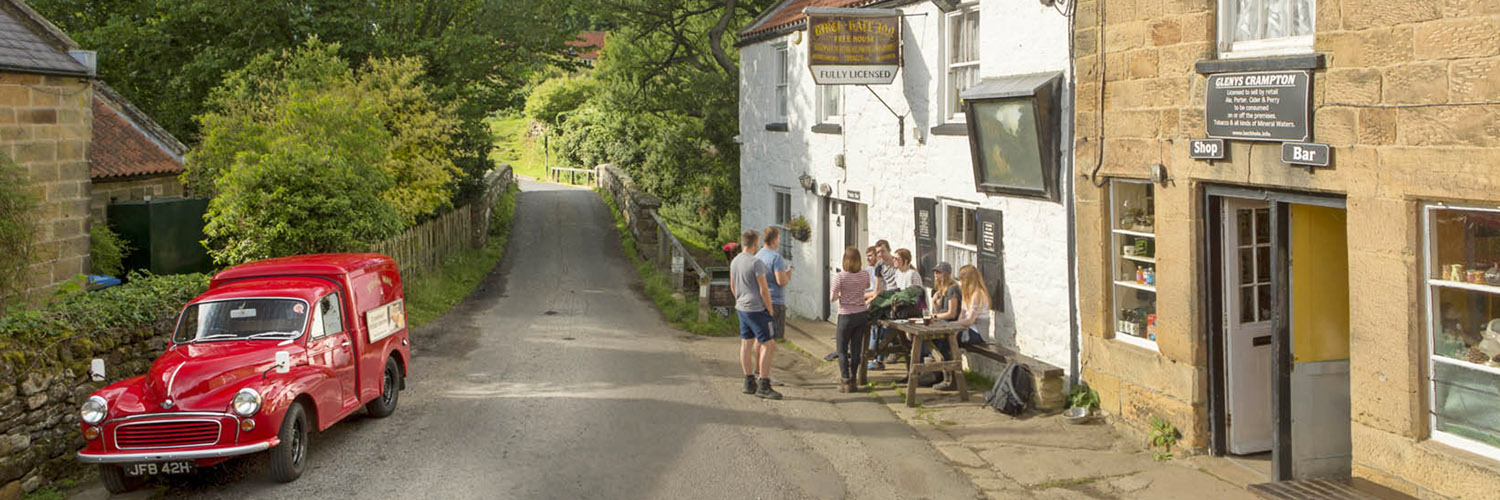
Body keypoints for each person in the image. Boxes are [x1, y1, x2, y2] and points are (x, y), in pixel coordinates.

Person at [729, 230, 782, 400]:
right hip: (757, 308)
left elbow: (732, 285)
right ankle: (764, 384)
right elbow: (763, 289)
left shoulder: (735, 261)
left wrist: (739, 299)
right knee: (768, 344)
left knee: (746, 343)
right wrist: (770, 310)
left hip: (741, 307)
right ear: (755, 243)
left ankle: (748, 381)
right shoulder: (756, 263)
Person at [939, 264, 993, 391]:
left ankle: (953, 379)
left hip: (978, 332)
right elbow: (962, 315)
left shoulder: (978, 294)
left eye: (962, 279)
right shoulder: (967, 293)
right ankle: (947, 376)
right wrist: (955, 329)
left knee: (947, 343)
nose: (961, 282)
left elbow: (970, 320)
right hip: (967, 329)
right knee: (943, 340)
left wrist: (953, 326)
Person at [829, 247, 871, 393]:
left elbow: (832, 297)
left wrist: (841, 294)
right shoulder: (865, 274)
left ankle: (845, 380)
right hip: (861, 314)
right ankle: (854, 380)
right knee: (855, 349)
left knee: (841, 350)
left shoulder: (840, 277)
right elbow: (867, 286)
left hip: (845, 314)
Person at [755, 226, 792, 385]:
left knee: (759, 339)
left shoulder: (758, 255)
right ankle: (766, 375)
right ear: (775, 239)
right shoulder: (776, 258)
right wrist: (788, 274)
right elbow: (781, 281)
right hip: (775, 302)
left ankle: (757, 371)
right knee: (770, 343)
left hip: (759, 301)